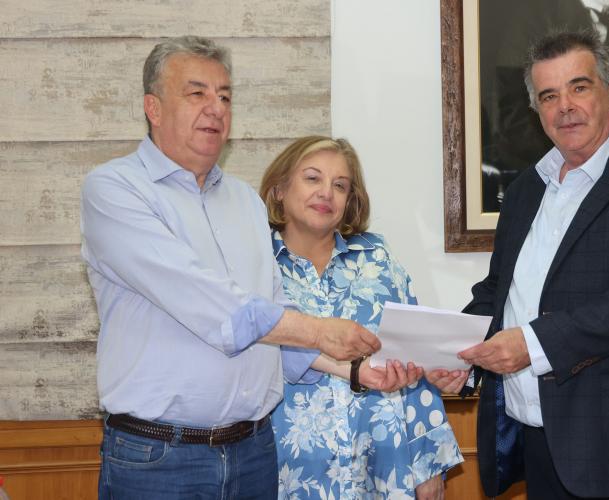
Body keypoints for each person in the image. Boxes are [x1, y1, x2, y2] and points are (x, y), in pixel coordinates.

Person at [81, 36, 387, 499]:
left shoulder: (246, 201)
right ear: (153, 108)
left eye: (225, 97)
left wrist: (355, 371)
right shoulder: (115, 189)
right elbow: (208, 303)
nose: (216, 108)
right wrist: (320, 331)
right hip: (159, 459)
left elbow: (271, 319)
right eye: (197, 93)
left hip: (253, 453)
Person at [428, 30, 609, 499]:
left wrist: (531, 343)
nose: (564, 106)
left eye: (579, 87)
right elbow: (498, 291)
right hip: (544, 443)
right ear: (537, 109)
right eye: (549, 96)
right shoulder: (526, 189)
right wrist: (459, 357)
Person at [259, 136, 464, 499]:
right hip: (287, 468)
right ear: (279, 189)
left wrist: (428, 465)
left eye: (340, 185)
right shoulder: (257, 265)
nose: (326, 193)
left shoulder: (378, 260)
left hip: (383, 462)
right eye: (312, 178)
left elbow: (414, 357)